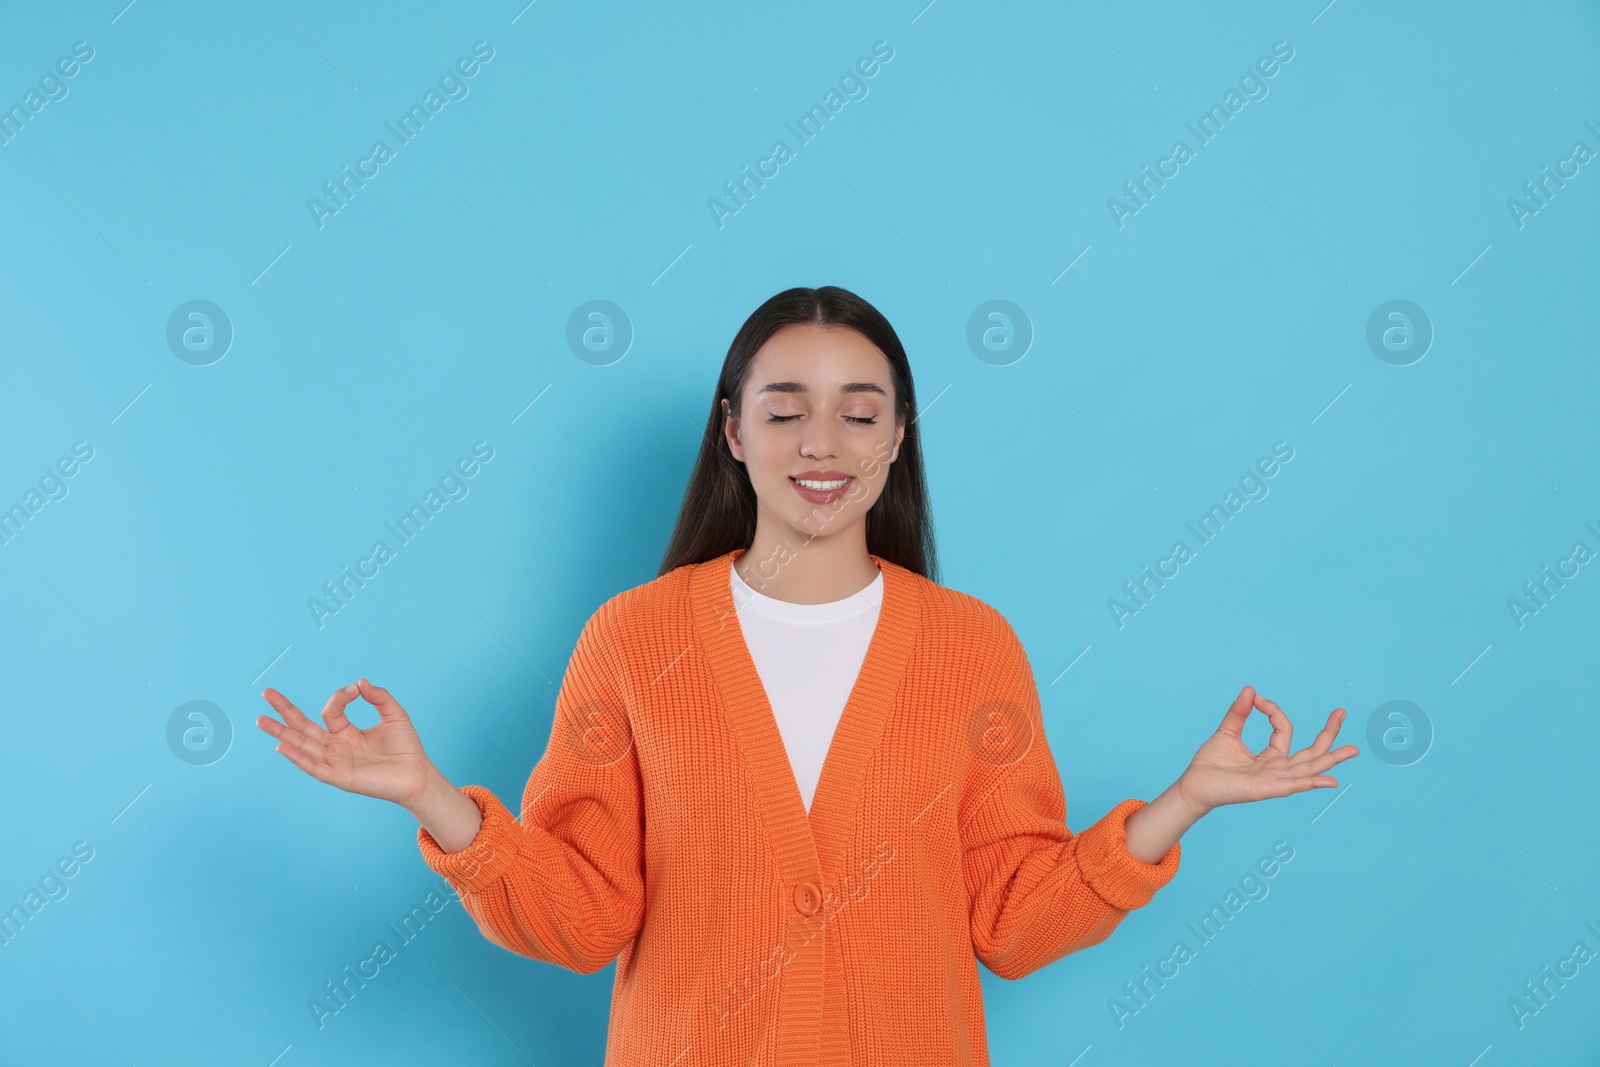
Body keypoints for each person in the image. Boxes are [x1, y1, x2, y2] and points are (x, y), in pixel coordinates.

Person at [256, 285, 1358, 1064]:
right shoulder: (634, 638)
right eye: (783, 409)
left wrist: (1184, 802)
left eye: (857, 411)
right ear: (733, 433)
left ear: (895, 438)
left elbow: (1013, 923)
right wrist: (431, 798)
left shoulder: (972, 646)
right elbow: (586, 918)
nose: (819, 442)